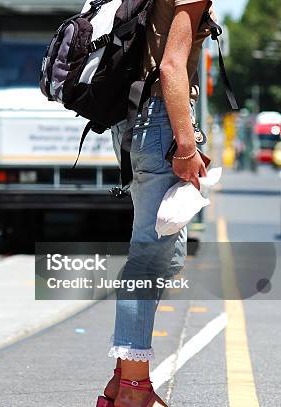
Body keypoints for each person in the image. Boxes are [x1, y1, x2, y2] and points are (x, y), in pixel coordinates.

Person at [99, 1, 213, 406]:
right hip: (160, 121)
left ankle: (120, 382)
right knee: (148, 257)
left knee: (168, 255)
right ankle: (134, 391)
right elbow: (170, 66)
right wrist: (185, 144)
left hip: (138, 120)